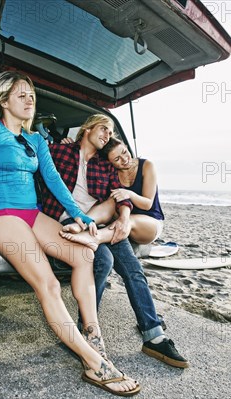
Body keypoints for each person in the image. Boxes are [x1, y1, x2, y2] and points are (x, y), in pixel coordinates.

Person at [0, 72, 140, 396]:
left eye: (32, 96)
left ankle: (92, 333)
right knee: (48, 282)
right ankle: (93, 362)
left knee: (84, 254)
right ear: (4, 100)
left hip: (32, 213)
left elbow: (54, 182)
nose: (29, 100)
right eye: (21, 95)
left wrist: (79, 214)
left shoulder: (35, 139)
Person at [41, 114, 189, 369]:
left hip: (100, 223)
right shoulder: (60, 152)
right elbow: (34, 164)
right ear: (87, 129)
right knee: (103, 261)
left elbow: (121, 198)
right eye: (104, 128)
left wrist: (124, 218)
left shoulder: (105, 164)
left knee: (133, 268)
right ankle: (86, 332)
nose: (108, 134)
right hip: (69, 221)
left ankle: (153, 335)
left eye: (111, 132)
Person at [60, 137, 164, 246]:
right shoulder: (111, 173)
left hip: (149, 223)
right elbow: (87, 159)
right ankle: (82, 224)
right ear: (109, 162)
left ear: (126, 146)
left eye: (124, 152)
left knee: (128, 221)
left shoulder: (146, 166)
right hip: (121, 218)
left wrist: (129, 194)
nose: (124, 159)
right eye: (117, 159)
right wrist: (72, 147)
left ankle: (95, 238)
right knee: (112, 201)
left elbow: (147, 204)